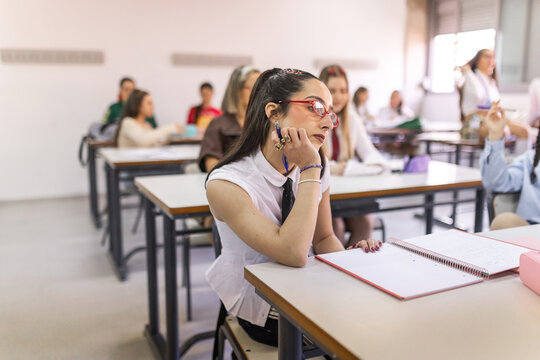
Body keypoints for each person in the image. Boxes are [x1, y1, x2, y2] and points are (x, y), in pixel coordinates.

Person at [206, 68, 382, 347]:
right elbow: (293, 252)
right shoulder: (227, 183)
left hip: (309, 288)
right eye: (316, 107)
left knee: (376, 313)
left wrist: (348, 265)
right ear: (274, 112)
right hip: (262, 309)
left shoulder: (316, 164)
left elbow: (323, 238)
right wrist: (311, 168)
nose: (328, 123)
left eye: (331, 113)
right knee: (365, 333)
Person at [319, 65, 388, 247]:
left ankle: (352, 265)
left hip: (345, 192)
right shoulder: (313, 118)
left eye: (343, 90)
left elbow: (370, 153)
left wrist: (372, 165)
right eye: (332, 90)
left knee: (366, 222)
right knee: (336, 226)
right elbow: (312, 160)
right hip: (322, 193)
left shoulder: (352, 118)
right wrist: (337, 168)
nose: (339, 96)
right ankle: (334, 271)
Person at [480, 100, 540, 230]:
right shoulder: (531, 160)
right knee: (504, 220)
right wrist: (495, 135)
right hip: (532, 235)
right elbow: (495, 183)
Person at [460, 49, 529, 154]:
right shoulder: (471, 78)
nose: (491, 60)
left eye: (493, 57)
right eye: (487, 56)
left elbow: (495, 103)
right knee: (501, 132)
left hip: (491, 118)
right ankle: (496, 163)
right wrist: (467, 73)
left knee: (524, 131)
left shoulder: (491, 82)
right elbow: (479, 95)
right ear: (477, 60)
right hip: (475, 122)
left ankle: (520, 164)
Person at [198, 65, 260, 172]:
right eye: (252, 86)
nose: (259, 91)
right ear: (237, 89)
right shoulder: (217, 125)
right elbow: (212, 166)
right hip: (232, 184)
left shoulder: (265, 123)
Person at [115, 89, 183, 147]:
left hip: (144, 161)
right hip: (130, 161)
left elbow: (153, 145)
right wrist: (170, 128)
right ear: (138, 105)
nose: (153, 107)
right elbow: (144, 140)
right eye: (149, 103)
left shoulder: (146, 125)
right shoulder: (128, 123)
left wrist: (168, 136)